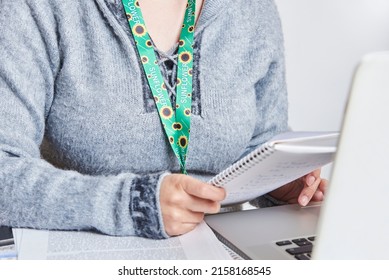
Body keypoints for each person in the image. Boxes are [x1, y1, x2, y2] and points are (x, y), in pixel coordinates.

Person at [0, 0, 327, 239]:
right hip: (92, 254)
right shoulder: (37, 8)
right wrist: (134, 204)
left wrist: (276, 181)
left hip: (222, 257)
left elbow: (260, 141)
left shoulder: (252, 10)